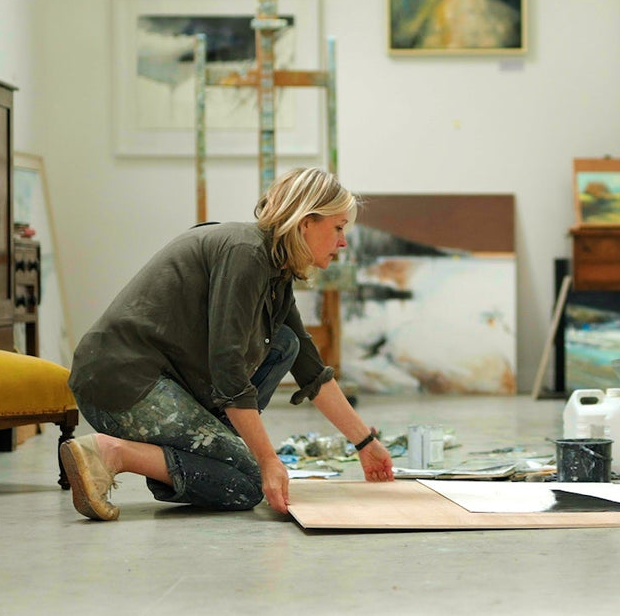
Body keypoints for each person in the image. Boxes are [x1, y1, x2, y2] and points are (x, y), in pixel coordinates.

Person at [60, 167, 393, 520]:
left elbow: (310, 368)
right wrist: (266, 461)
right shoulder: (246, 253)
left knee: (285, 343)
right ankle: (113, 452)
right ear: (305, 222)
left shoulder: (274, 268)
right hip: (121, 382)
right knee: (248, 481)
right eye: (338, 227)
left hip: (156, 377)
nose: (343, 242)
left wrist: (365, 444)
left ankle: (196, 458)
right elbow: (228, 369)